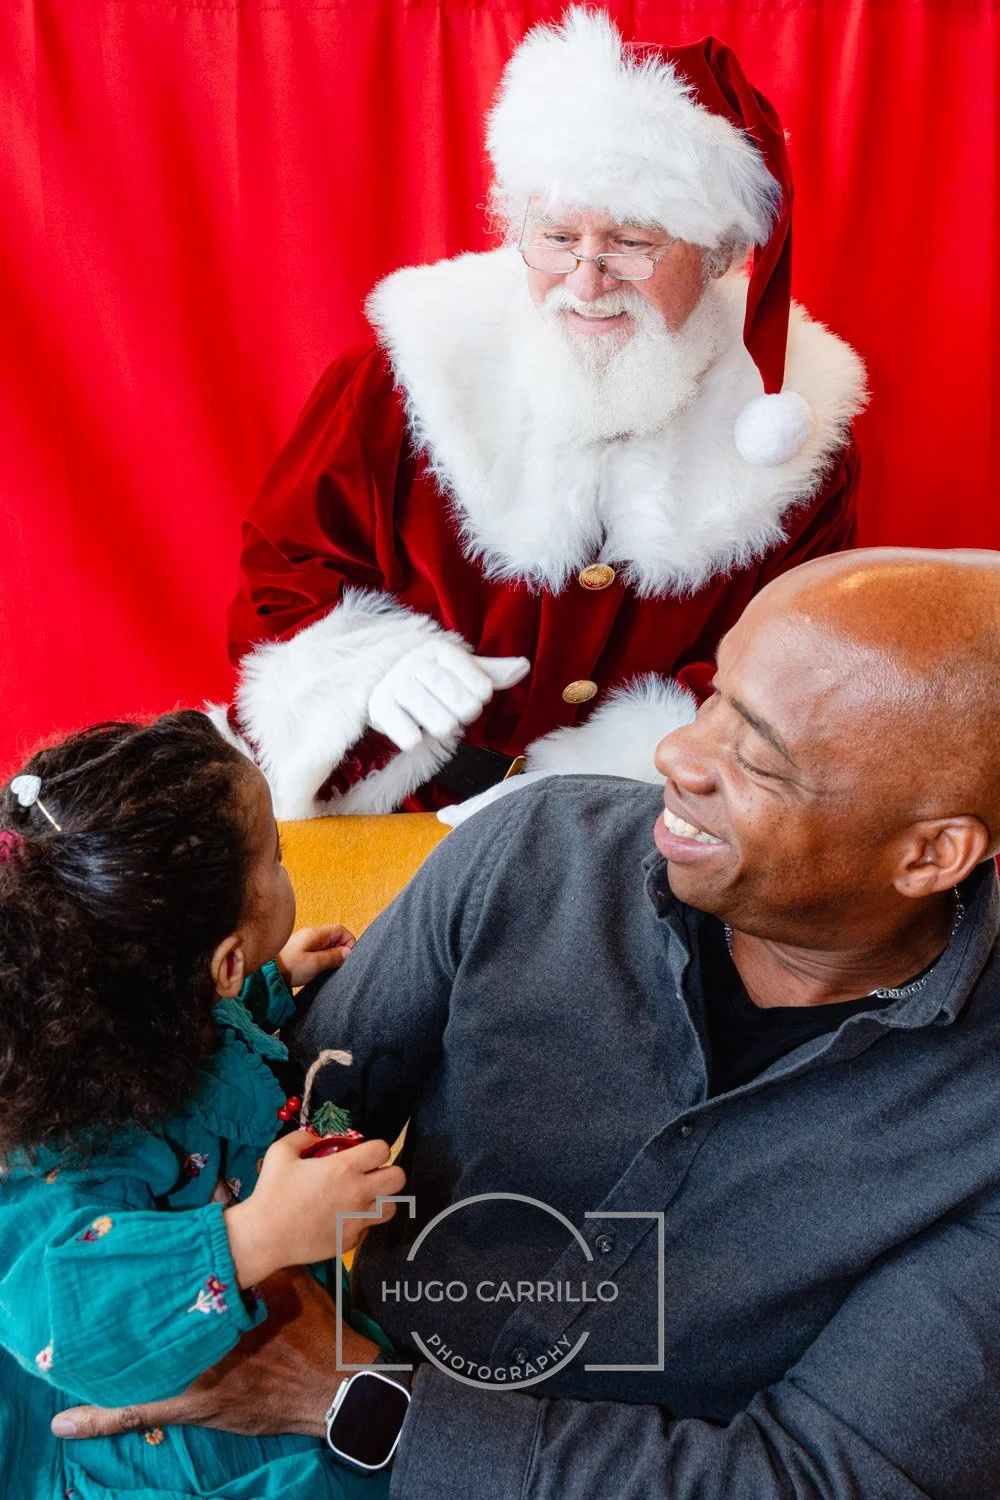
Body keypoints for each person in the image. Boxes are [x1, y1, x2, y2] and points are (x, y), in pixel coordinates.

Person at [59, 548, 1000, 1498]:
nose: (677, 752)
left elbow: (820, 1480)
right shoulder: (533, 850)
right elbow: (294, 1108)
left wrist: (357, 1398)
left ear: (930, 855)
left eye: (757, 752)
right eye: (714, 694)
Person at [216, 7, 867, 820]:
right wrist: (369, 669)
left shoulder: (793, 434)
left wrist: (599, 783)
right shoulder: (404, 377)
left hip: (639, 821)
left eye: (632, 242)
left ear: (722, 255)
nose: (585, 281)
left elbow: (783, 661)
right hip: (398, 806)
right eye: (557, 236)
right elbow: (285, 579)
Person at [0, 711, 406, 1499]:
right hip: (177, 1451)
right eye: (278, 860)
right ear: (217, 960)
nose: (288, 868)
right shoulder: (81, 1131)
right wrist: (256, 1235)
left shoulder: (139, 1007)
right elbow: (60, 1319)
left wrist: (265, 982)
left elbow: (203, 1041)